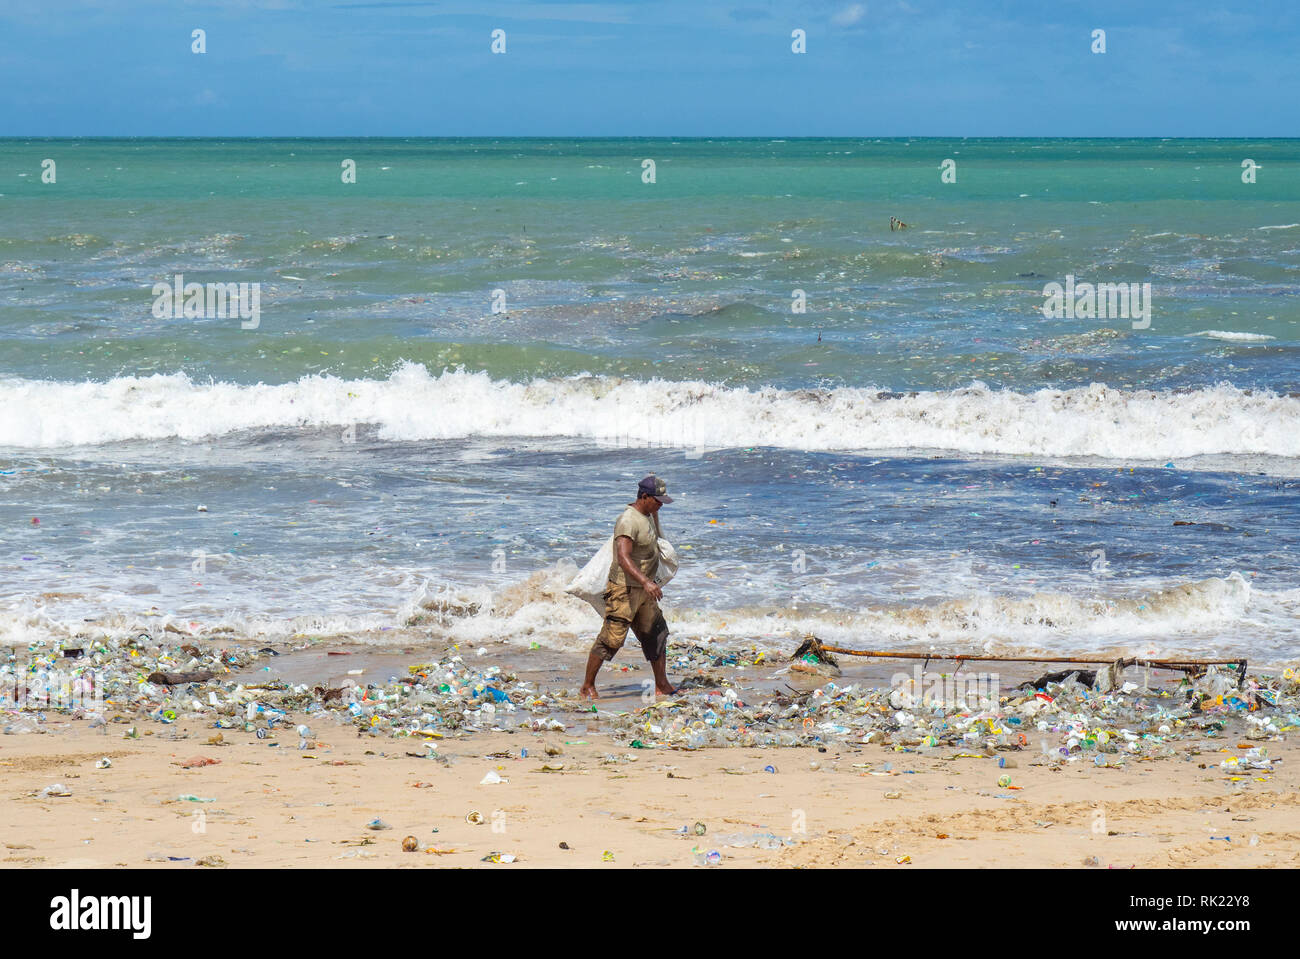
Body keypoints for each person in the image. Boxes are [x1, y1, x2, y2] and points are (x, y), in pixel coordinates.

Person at [579, 474, 677, 700]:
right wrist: (645, 581)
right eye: (657, 499)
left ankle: (661, 684)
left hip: (645, 591)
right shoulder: (628, 520)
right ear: (644, 497)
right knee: (611, 639)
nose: (661, 504)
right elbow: (623, 557)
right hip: (624, 589)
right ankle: (587, 686)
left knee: (657, 633)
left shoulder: (649, 515)